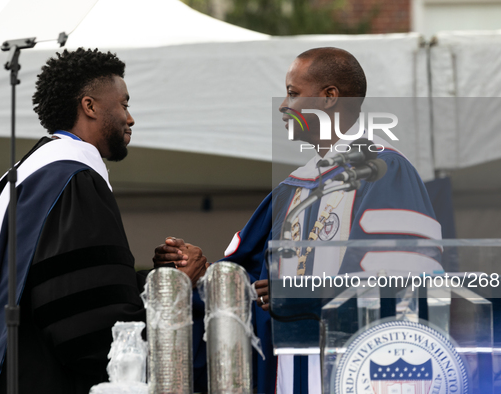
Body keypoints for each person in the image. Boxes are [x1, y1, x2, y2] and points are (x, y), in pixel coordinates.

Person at [156, 47, 441, 394]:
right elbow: (252, 279)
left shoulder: (385, 171)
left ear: (329, 98)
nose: (282, 105)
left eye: (293, 93)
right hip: (289, 371)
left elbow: (400, 278)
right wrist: (200, 272)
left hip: (354, 370)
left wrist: (301, 296)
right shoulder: (293, 188)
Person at [0, 48, 207, 394]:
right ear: (90, 106)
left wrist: (158, 278)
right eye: (124, 104)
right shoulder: (73, 181)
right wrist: (174, 290)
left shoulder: (30, 175)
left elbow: (75, 286)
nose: (130, 119)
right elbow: (91, 330)